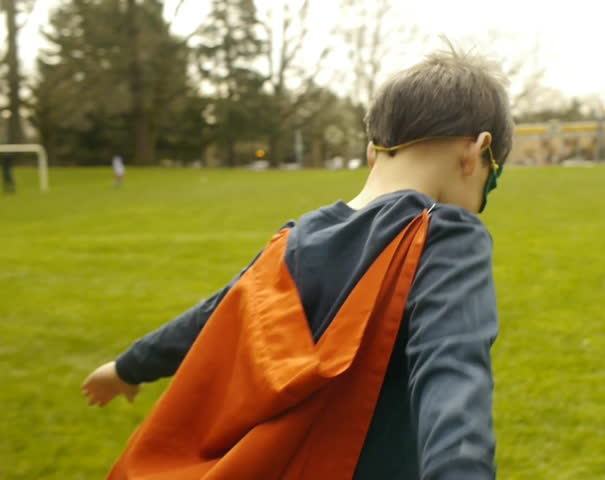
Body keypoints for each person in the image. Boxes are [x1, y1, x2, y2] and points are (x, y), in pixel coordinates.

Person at [82, 46, 514, 479]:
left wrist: (126, 367)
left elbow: (214, 315)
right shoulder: (448, 235)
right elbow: (454, 377)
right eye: (490, 183)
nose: (481, 200)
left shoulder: (296, 238)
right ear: (477, 152)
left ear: (370, 152)